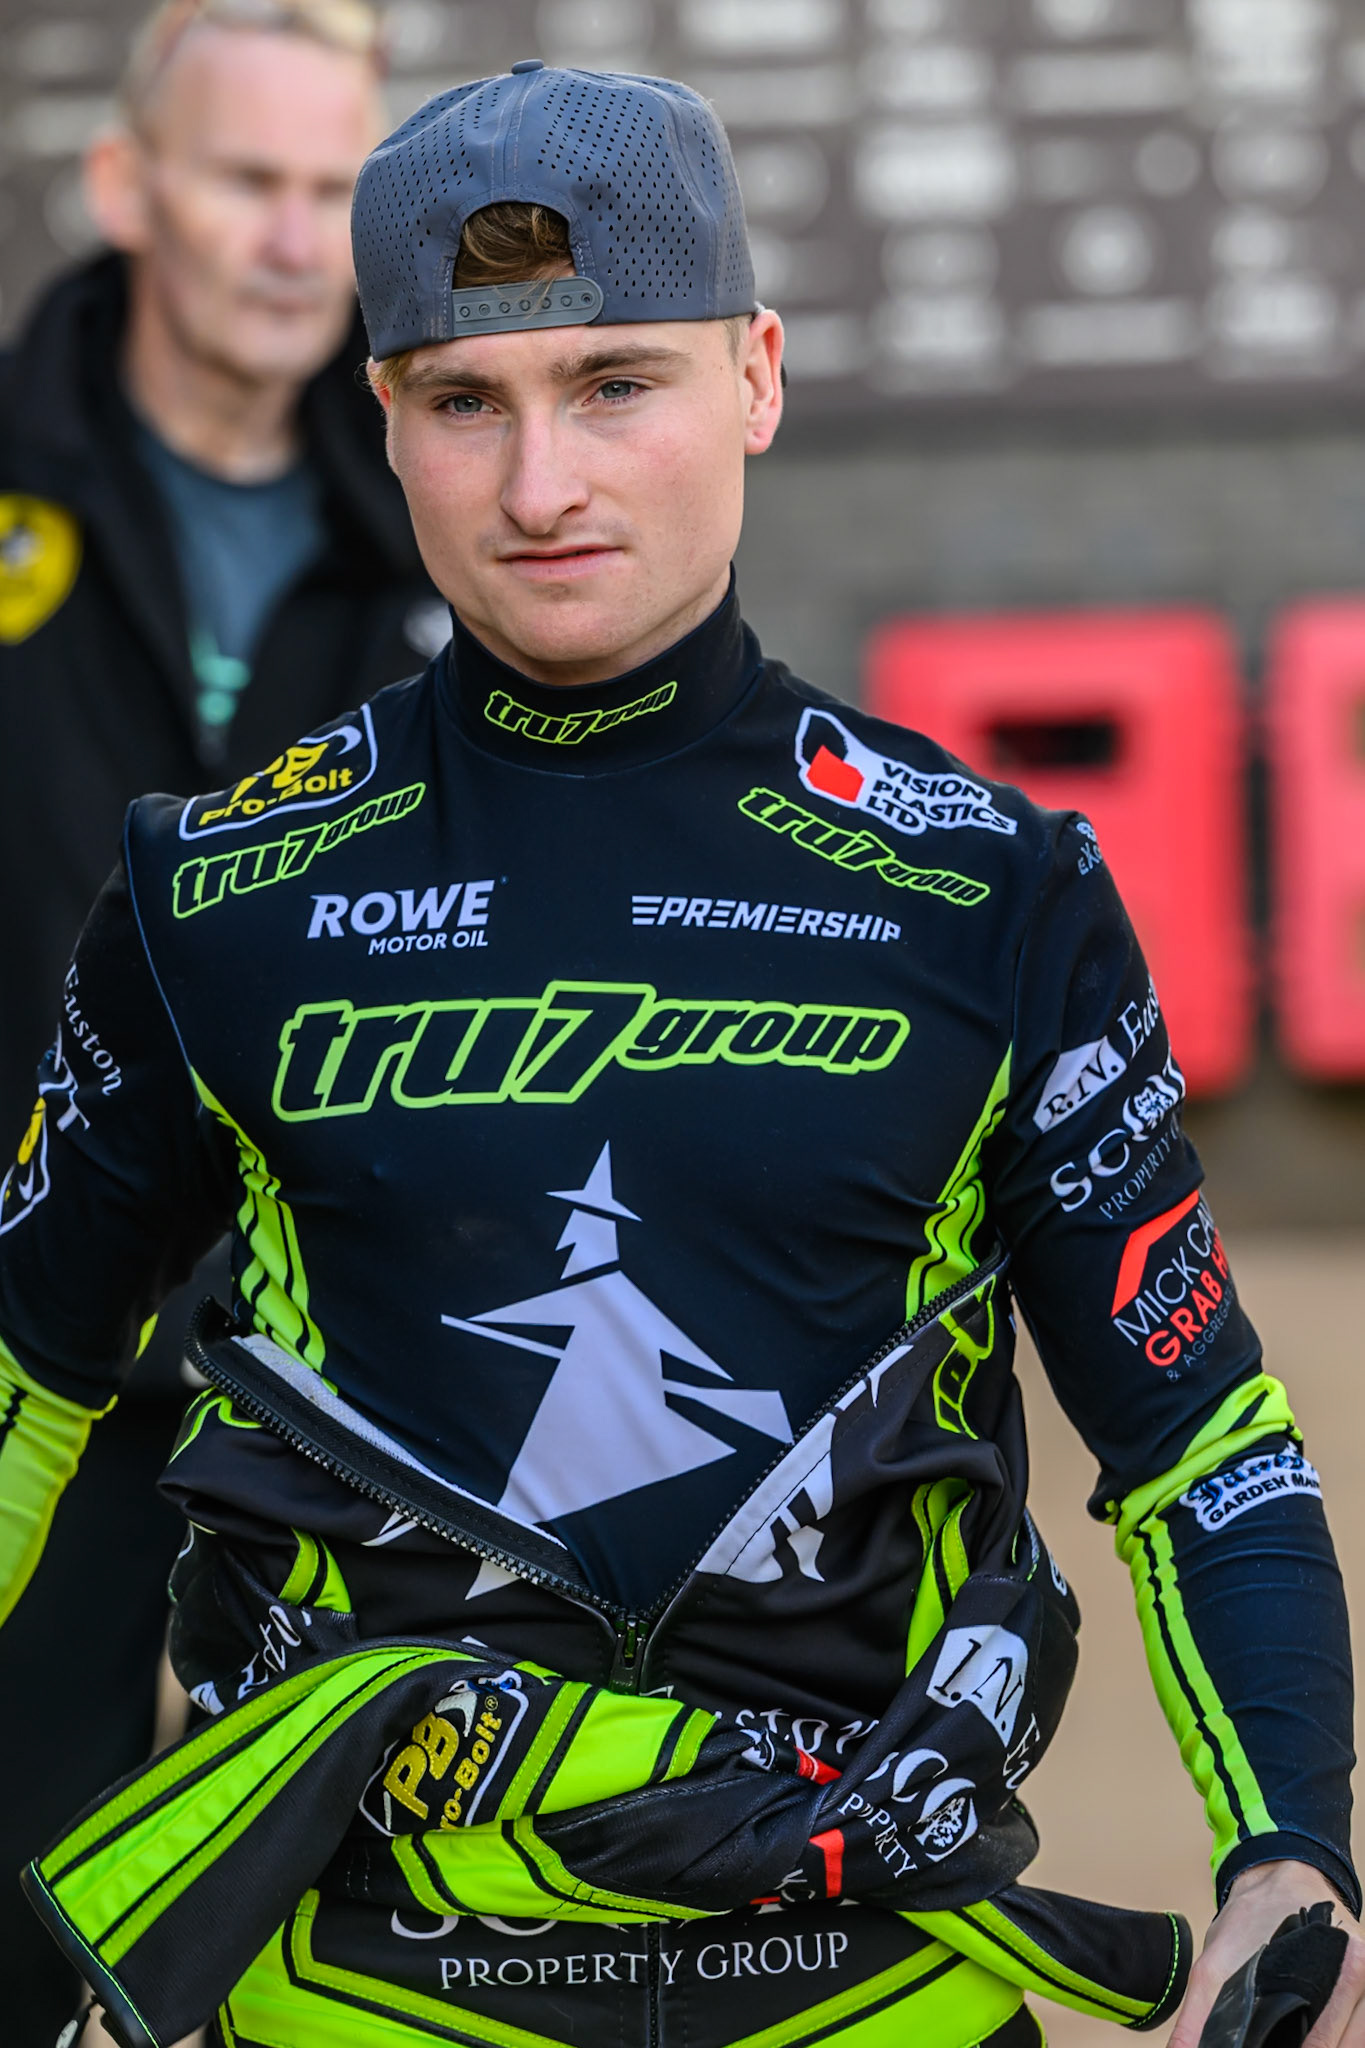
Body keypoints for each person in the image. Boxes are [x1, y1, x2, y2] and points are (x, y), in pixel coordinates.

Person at [1, 59, 1363, 2048]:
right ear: (383, 418)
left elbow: (1193, 1447)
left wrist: (1288, 1856)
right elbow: (28, 1389)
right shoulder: (220, 893)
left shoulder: (989, 888)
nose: (539, 485)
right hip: (363, 1993)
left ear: (756, 377)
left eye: (611, 384)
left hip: (867, 1986)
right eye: (465, 400)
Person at [0, 1, 435, 2035]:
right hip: (28, 1360)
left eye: (334, 187)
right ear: (124, 188)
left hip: (337, 1385)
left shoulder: (458, 525)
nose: (292, 236)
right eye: (246, 179)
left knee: (345, 1949)